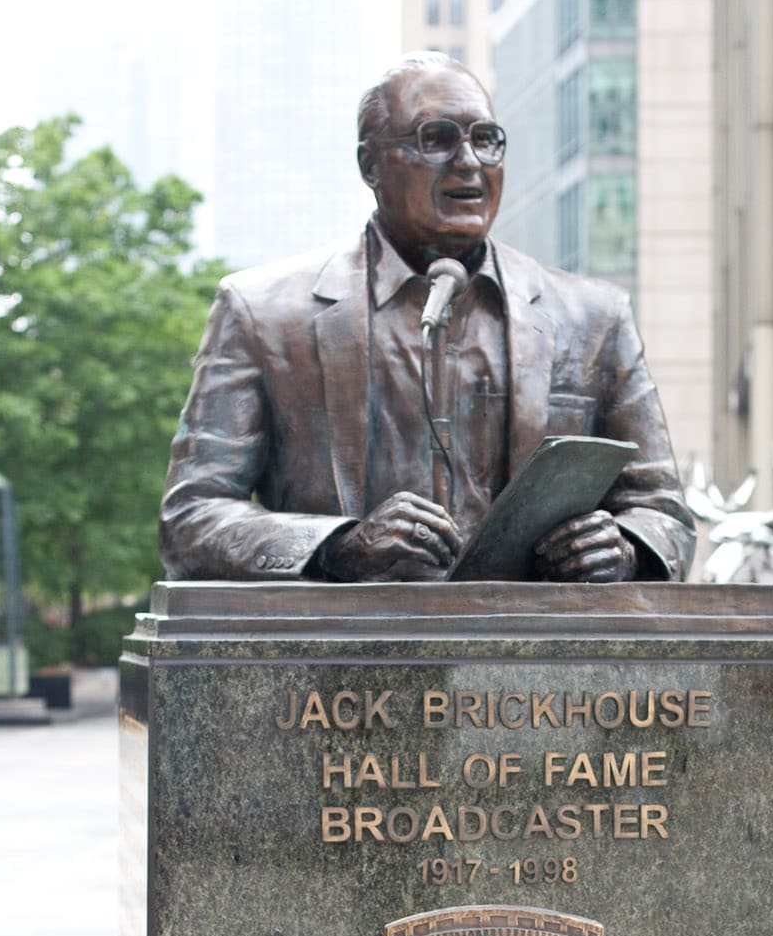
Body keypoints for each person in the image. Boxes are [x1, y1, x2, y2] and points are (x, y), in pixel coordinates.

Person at [161, 52, 693, 584]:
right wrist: (338, 546)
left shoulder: (595, 318)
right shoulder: (263, 314)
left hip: (535, 648)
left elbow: (664, 514)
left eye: (486, 140)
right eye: (436, 139)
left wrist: (623, 550)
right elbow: (191, 518)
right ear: (371, 165)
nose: (468, 162)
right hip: (347, 653)